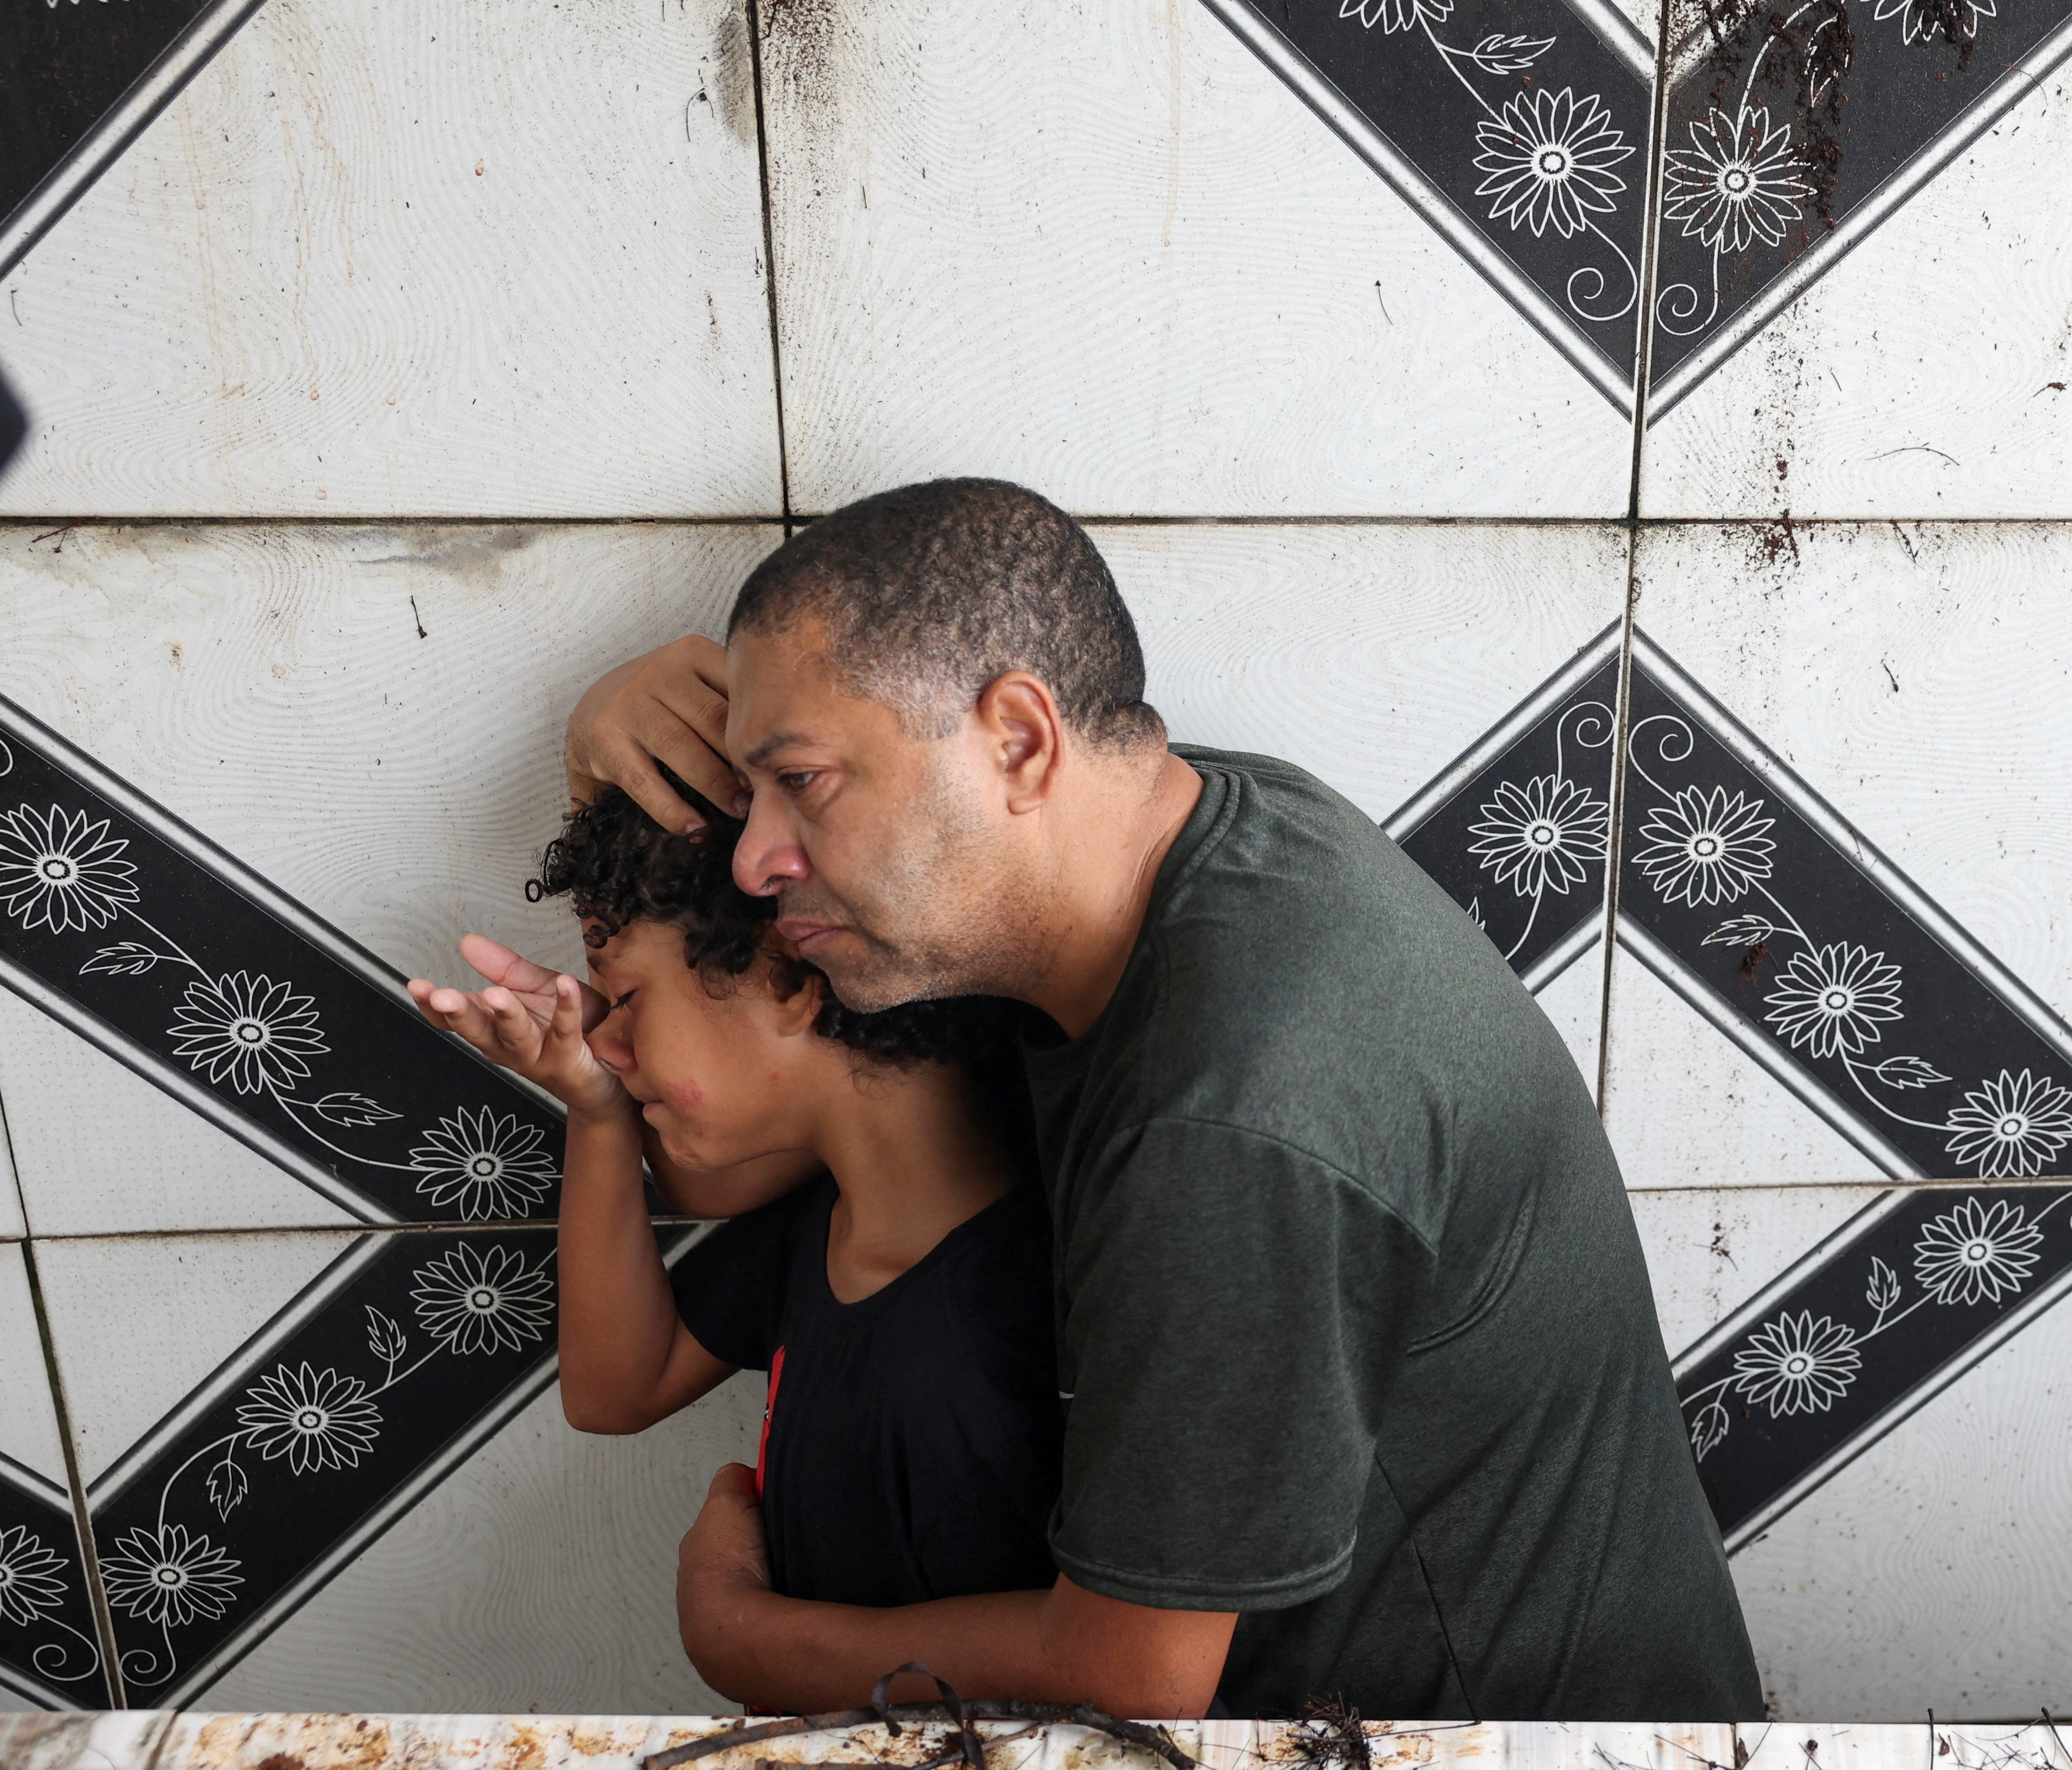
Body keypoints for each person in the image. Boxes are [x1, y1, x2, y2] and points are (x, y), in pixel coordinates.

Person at [413, 478, 1762, 1722]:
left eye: (801, 781)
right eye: (750, 789)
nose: (762, 857)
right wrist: (607, 729)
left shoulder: (1235, 1111)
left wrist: (739, 1636)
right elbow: (718, 1146)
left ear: (1015, 737)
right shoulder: (1187, 835)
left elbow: (1130, 1673)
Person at [434, 785, 1062, 1668]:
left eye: (627, 998)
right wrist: (599, 1105)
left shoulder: (1011, 1318)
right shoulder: (827, 1225)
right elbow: (616, 1390)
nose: (607, 1040)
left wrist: (736, 1637)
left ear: (791, 978)